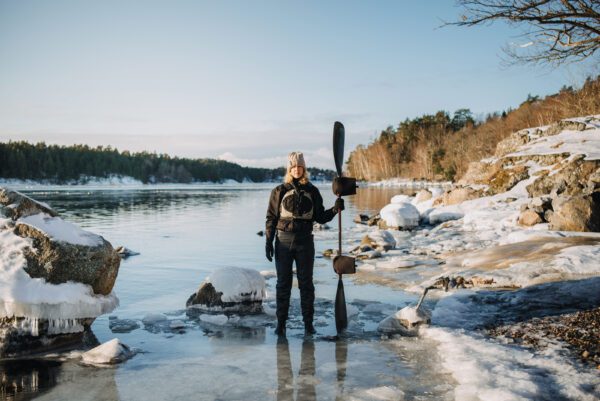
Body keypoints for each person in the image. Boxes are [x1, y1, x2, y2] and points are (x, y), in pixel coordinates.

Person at [265, 151, 344, 336]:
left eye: (300, 167)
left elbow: (320, 217)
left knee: (306, 284)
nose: (297, 170)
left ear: (304, 168)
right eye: (293, 167)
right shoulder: (279, 191)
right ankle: (281, 324)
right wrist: (268, 242)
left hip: (305, 243)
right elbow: (271, 218)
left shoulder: (312, 190)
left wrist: (334, 209)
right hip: (283, 242)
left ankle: (308, 324)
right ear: (289, 169)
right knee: (283, 285)